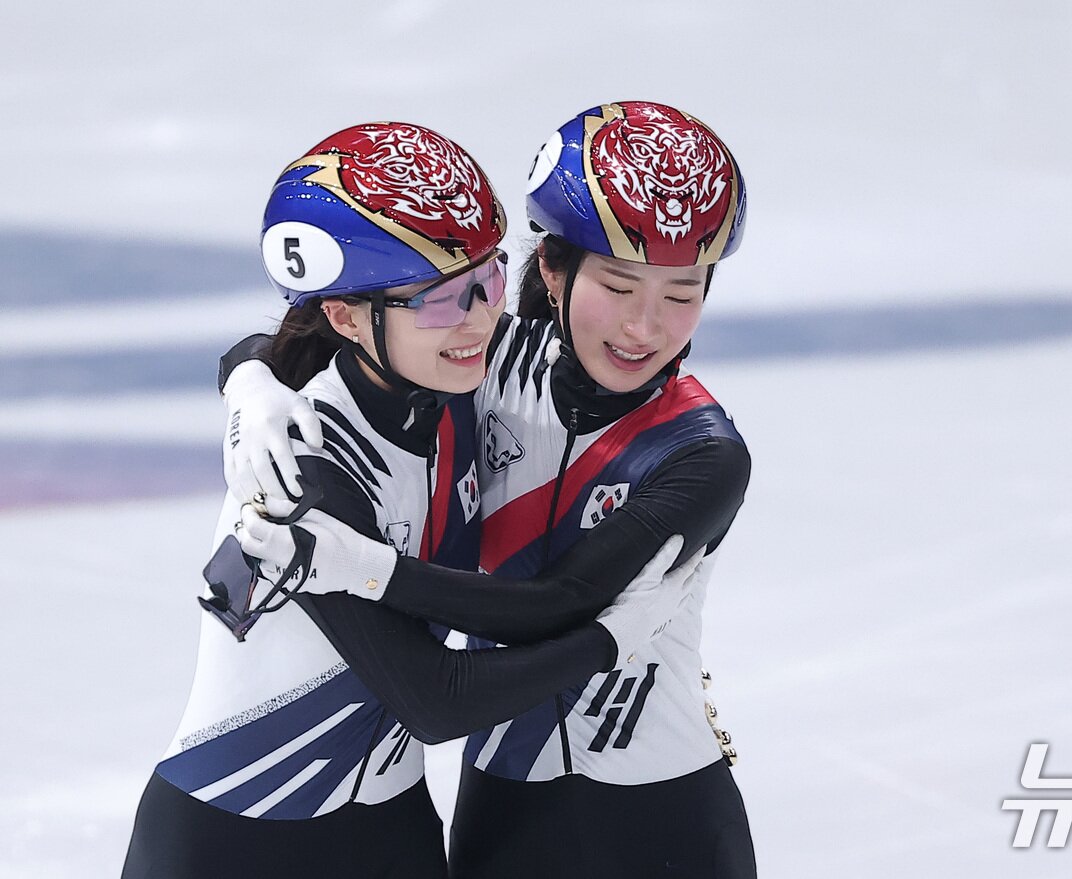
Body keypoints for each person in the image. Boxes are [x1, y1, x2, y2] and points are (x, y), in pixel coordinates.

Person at [122, 121, 696, 879]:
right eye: (439, 302)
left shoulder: (460, 384)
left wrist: (247, 372)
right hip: (237, 840)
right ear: (346, 315)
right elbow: (436, 699)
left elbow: (620, 358)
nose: (480, 320)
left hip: (395, 833)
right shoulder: (302, 465)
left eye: (487, 282)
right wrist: (611, 637)